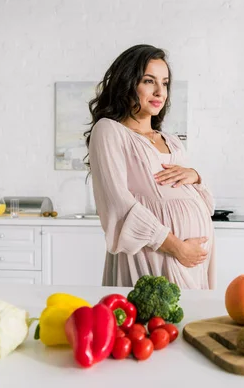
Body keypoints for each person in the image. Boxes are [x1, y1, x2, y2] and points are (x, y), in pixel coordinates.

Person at [85, 44, 216, 290]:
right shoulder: (109, 131)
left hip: (192, 262)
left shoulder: (172, 141)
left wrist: (196, 177)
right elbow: (117, 204)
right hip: (152, 255)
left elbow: (207, 205)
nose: (159, 92)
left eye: (165, 83)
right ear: (128, 83)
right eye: (149, 81)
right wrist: (178, 247)